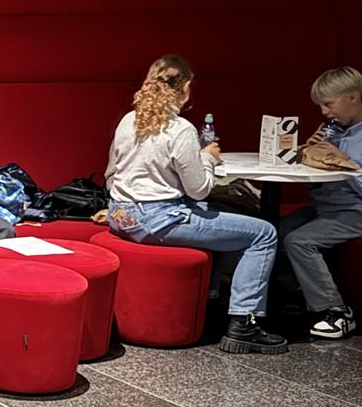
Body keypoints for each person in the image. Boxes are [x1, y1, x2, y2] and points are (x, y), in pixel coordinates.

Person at [104, 55, 284, 354]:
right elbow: (199, 190)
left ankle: (210, 301)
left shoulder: (128, 120)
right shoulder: (181, 129)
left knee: (220, 216)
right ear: (186, 87)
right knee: (263, 233)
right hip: (159, 220)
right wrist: (208, 159)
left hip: (121, 215)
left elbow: (111, 173)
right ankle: (244, 324)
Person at [278, 66, 362, 340]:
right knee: (274, 231)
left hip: (355, 210)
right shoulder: (333, 132)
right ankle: (294, 299)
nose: (324, 112)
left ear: (352, 97)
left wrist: (345, 164)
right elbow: (315, 185)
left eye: (329, 104)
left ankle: (336, 312)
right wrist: (309, 156)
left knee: (300, 241)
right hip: (324, 206)